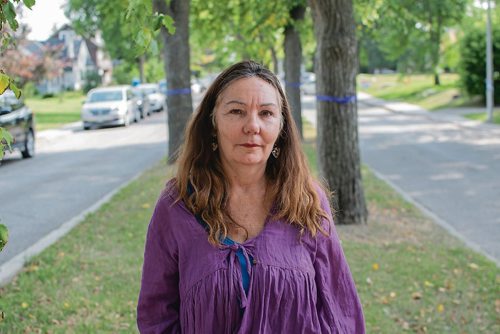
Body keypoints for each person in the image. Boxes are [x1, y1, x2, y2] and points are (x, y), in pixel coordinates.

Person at [137, 60, 365, 333]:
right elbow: (156, 317)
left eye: (266, 113)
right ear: (212, 122)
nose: (252, 126)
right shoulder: (177, 206)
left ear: (281, 128)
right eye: (236, 111)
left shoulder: (307, 200)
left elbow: (340, 309)